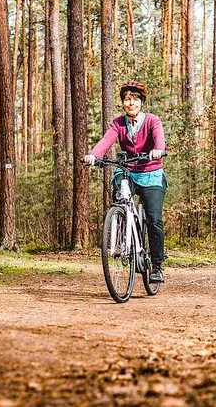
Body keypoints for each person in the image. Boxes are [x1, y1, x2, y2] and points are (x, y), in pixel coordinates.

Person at [83, 81, 167, 283]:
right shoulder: (118, 123)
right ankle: (122, 235)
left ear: (142, 102)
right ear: (123, 103)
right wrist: (93, 155)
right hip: (128, 170)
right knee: (119, 197)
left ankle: (156, 266)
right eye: (127, 99)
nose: (131, 103)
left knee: (154, 219)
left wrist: (158, 150)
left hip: (150, 172)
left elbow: (159, 139)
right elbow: (106, 141)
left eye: (135, 99)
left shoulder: (152, 121)